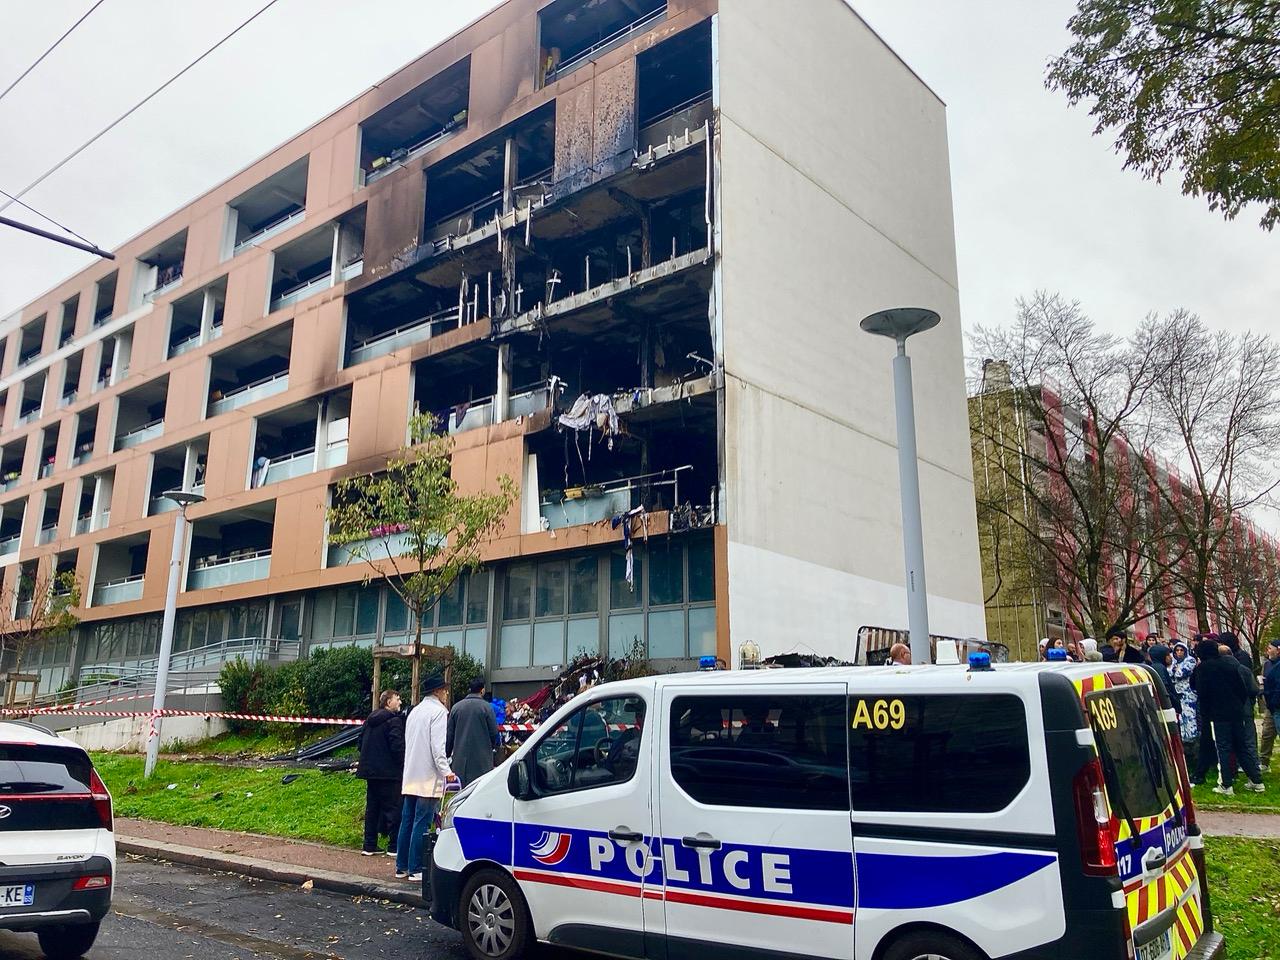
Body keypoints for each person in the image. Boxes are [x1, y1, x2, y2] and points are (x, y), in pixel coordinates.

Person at [396, 674, 458, 883]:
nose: (446, 693)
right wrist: (446, 771)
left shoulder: (415, 711)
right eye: (444, 689)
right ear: (437, 691)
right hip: (427, 775)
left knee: (407, 821)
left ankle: (401, 866)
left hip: (411, 773)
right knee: (421, 823)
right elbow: (437, 748)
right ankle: (416, 868)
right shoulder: (439, 712)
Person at [1190, 639, 1264, 795]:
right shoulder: (1230, 665)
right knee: (1240, 746)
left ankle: (1226, 784)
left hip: (1217, 715)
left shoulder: (1203, 668)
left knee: (1222, 748)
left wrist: (1206, 714)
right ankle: (1256, 781)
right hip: (1236, 712)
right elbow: (1241, 688)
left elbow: (1200, 692)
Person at [357, 689, 405, 857]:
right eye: (397, 699)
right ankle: (394, 846)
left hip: (371, 771)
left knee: (373, 808)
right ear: (388, 702)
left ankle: (369, 845)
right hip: (389, 772)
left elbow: (360, 743)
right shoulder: (394, 721)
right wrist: (402, 765)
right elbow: (397, 747)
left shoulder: (370, 721)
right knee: (394, 809)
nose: (400, 702)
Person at [447, 677, 500, 788]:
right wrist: (495, 747)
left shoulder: (456, 708)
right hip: (482, 762)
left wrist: (447, 755)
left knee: (460, 795)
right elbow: (494, 734)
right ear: (482, 690)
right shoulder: (487, 708)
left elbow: (449, 736)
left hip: (460, 762)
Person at [1170, 641, 1200, 761]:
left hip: (1188, 693)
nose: (1179, 653)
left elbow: (1180, 673)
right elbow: (1171, 673)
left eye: (1181, 650)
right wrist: (1174, 670)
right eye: (1177, 650)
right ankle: (1185, 743)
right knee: (1181, 718)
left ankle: (1192, 740)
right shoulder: (1174, 661)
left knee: (1190, 717)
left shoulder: (1190, 660)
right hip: (1178, 694)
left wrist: (1175, 670)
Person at [1146, 643, 1181, 716]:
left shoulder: (1157, 666)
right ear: (1161, 656)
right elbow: (1164, 689)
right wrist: (1175, 703)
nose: (1170, 657)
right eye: (1167, 655)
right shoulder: (1159, 668)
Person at [1261, 638, 1280, 771]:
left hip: (1277, 703)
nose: (1268, 650)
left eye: (1270, 648)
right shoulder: (1267, 664)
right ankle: (1264, 762)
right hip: (1270, 705)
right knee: (1267, 733)